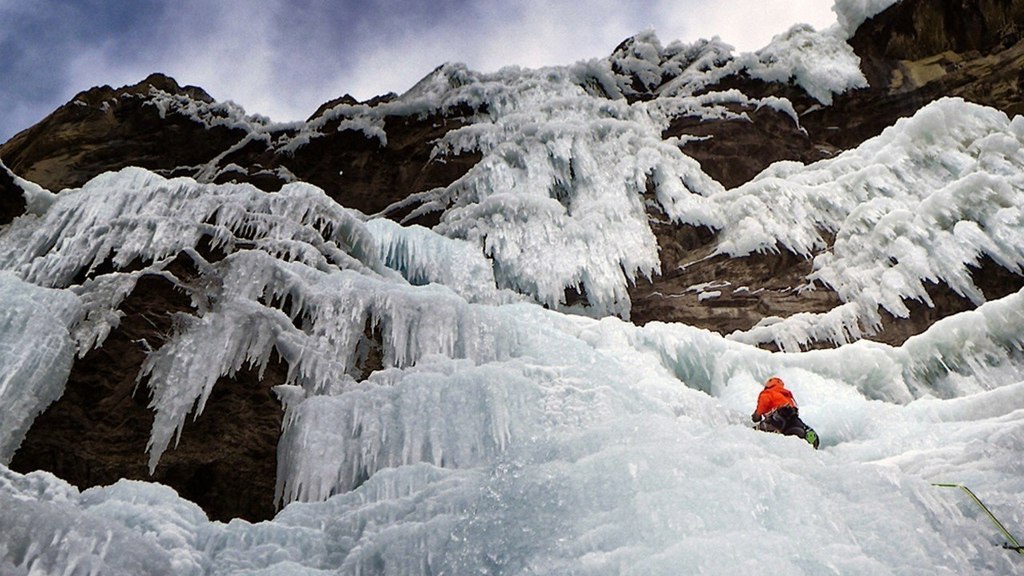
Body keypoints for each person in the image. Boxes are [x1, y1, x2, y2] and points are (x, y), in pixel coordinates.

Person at [751, 376, 819, 448]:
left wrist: (757, 415)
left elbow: (764, 403)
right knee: (795, 425)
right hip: (791, 414)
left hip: (778, 416)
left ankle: (799, 434)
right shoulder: (785, 394)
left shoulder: (767, 392)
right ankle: (806, 432)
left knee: (759, 428)